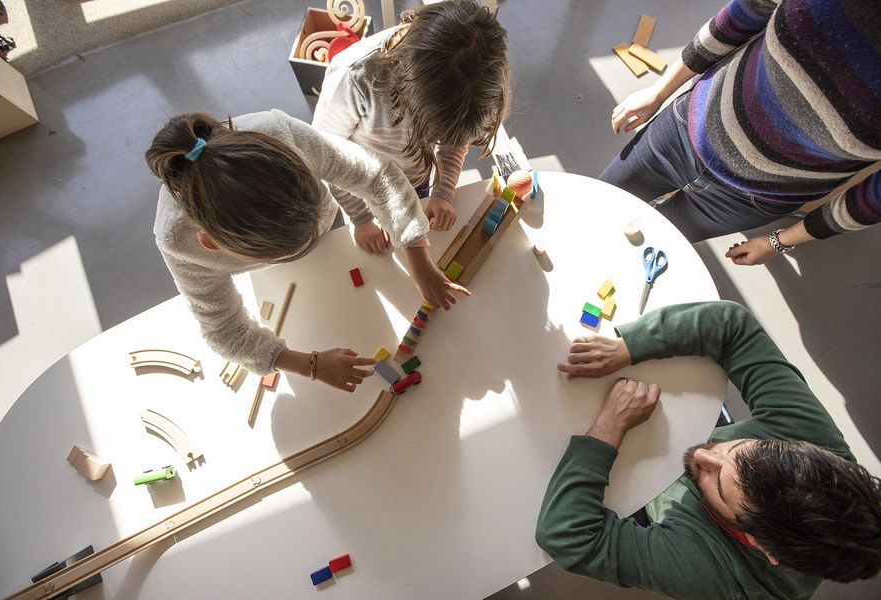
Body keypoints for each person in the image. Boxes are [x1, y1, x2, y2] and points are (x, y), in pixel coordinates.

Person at [536, 301, 881, 599]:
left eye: (718, 483)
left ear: (759, 544)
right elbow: (734, 326)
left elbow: (569, 537)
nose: (703, 454)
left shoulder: (721, 579)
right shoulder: (816, 447)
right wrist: (629, 347)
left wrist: (608, 428)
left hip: (636, 499)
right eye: (740, 448)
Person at [146, 110, 468, 391]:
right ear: (212, 244)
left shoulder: (280, 132)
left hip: (331, 246)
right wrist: (308, 364)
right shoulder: (177, 241)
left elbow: (374, 174)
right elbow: (224, 330)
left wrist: (415, 248)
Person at [601, 0, 880, 266]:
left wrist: (778, 242)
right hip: (683, 130)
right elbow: (743, 14)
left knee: (635, 255)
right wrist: (659, 91)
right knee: (595, 209)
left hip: (746, 202)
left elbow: (873, 200)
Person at [313, 0, 511, 253]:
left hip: (416, 181)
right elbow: (329, 158)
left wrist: (443, 190)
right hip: (361, 191)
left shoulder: (473, 78)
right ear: (409, 90)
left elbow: (456, 139)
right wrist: (362, 219)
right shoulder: (352, 76)